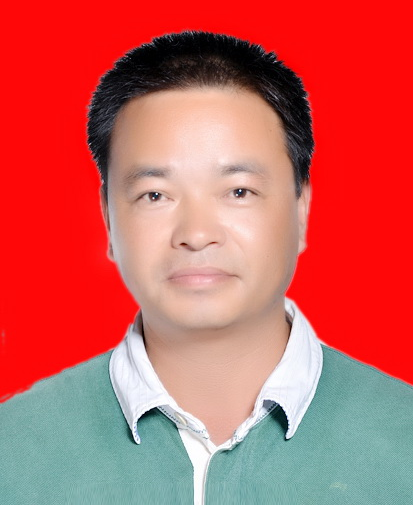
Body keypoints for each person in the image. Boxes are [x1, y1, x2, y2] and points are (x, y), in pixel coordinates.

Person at [1, 31, 412, 504]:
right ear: (108, 219)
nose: (196, 234)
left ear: (301, 209)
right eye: (155, 195)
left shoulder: (402, 441)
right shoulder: (13, 451)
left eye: (238, 191)